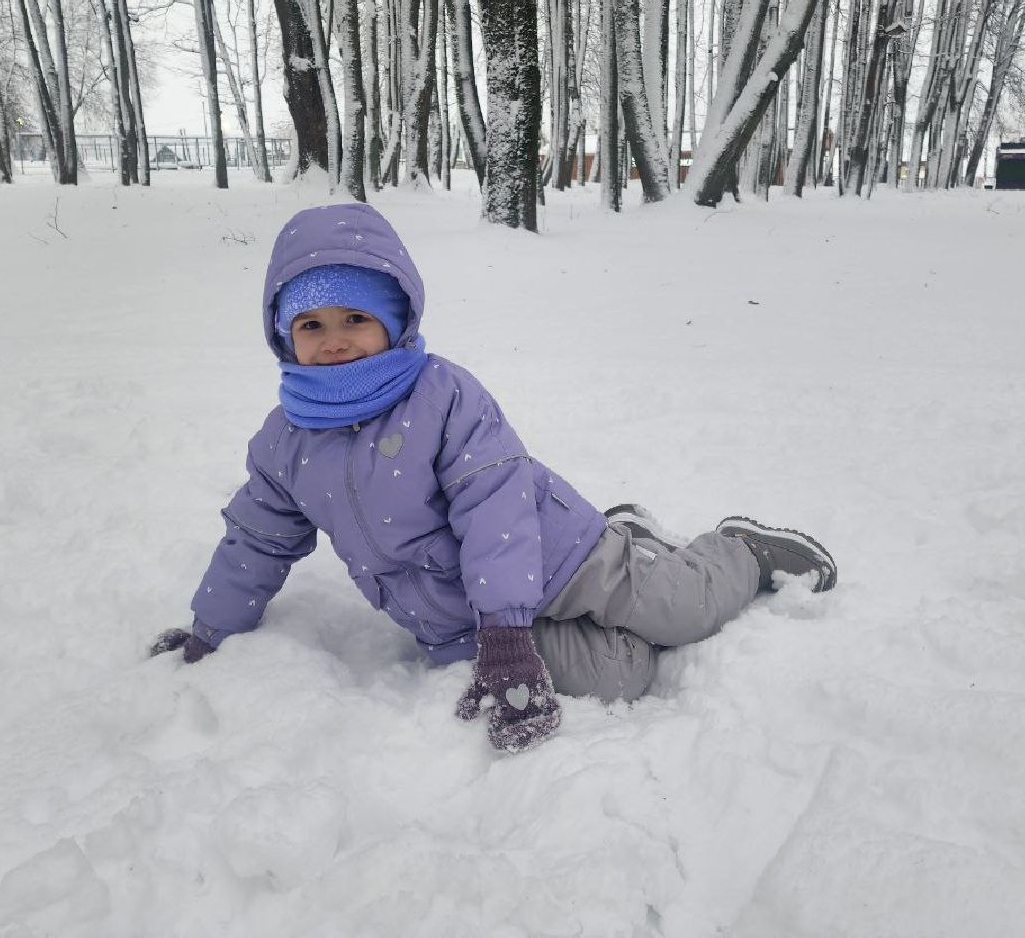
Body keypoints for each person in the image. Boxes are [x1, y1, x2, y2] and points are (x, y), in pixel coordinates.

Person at [151, 203, 836, 753]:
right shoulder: (285, 443)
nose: (334, 339)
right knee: (622, 675)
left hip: (562, 558)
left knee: (680, 613)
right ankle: (639, 536)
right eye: (312, 323)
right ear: (282, 334)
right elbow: (256, 542)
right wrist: (211, 629)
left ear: (394, 321)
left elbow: (493, 508)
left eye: (356, 318)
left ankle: (737, 551)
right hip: (457, 621)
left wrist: (508, 631)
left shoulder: (443, 397)